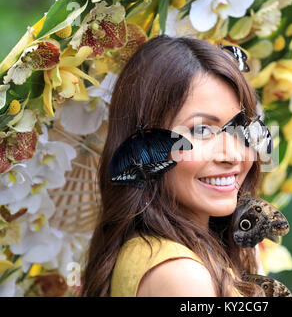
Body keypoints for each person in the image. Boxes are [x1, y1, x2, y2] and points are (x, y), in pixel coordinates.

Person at [80, 35, 266, 297]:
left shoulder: (156, 255)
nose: (233, 154)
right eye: (201, 130)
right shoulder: (182, 275)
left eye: (240, 128)